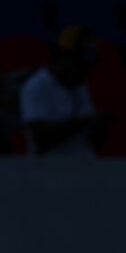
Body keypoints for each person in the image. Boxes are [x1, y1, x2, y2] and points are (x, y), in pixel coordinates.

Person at [19, 25, 110, 157]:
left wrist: (99, 128)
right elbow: (40, 138)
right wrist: (87, 122)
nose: (86, 71)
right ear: (65, 57)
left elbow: (91, 140)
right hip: (50, 170)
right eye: (81, 65)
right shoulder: (37, 86)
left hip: (84, 167)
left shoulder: (80, 86)